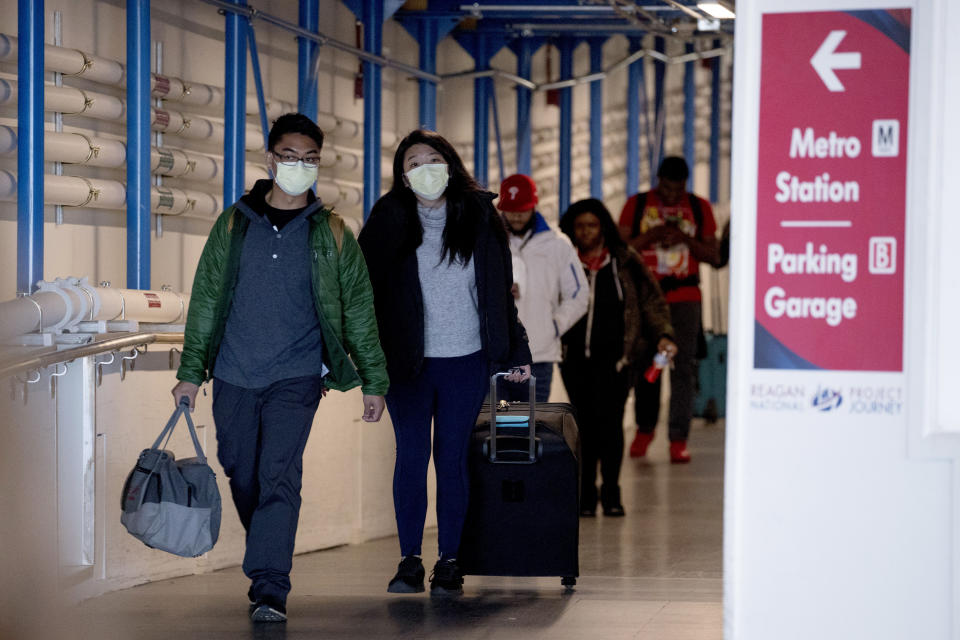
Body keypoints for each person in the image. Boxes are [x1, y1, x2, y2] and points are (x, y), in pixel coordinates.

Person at [171, 113, 388, 623]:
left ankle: (270, 586)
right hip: (232, 372)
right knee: (240, 470)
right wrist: (191, 370)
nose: (299, 166)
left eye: (310, 159)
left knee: (278, 476)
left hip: (297, 376)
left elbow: (358, 309)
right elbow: (205, 299)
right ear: (270, 158)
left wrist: (373, 380)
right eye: (290, 156)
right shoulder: (233, 223)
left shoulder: (333, 234)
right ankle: (267, 551)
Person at [358, 129, 532, 597]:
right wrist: (365, 364)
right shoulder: (388, 217)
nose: (423, 169)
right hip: (406, 363)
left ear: (450, 164)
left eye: (431, 159)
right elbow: (360, 293)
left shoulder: (478, 214)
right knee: (411, 458)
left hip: (466, 359)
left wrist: (517, 351)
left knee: (451, 459)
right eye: (412, 162)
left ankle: (450, 560)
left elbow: (500, 292)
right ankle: (410, 559)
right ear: (402, 175)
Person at [559, 199, 676, 517]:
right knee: (584, 425)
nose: (585, 232)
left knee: (610, 424)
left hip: (618, 359)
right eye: (580, 226)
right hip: (574, 359)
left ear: (603, 227)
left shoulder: (624, 260)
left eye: (592, 225)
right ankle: (585, 495)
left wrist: (663, 333)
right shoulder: (565, 261)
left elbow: (651, 300)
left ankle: (611, 492)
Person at [618, 156, 718, 464]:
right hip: (647, 298)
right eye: (666, 188)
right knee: (647, 363)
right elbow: (619, 252)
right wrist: (650, 236)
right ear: (657, 180)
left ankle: (678, 437)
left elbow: (714, 256)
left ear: (685, 185)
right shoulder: (636, 205)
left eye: (678, 190)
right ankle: (645, 429)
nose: (672, 195)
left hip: (685, 296)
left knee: (682, 367)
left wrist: (684, 238)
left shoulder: (700, 208)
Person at [496, 173, 588, 403]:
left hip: (539, 356)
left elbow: (579, 294)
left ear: (534, 206)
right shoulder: (488, 241)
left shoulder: (557, 244)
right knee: (493, 431)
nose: (516, 216)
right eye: (511, 210)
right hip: (495, 356)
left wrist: (553, 327)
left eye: (523, 210)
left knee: (529, 430)